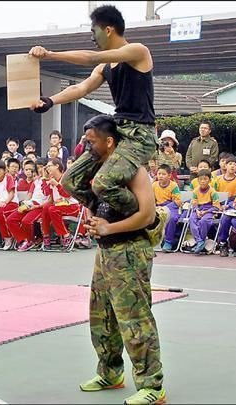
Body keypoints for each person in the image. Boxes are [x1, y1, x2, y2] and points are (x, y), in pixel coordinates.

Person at [29, 5, 157, 221]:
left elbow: (89, 57)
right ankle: (104, 209)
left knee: (103, 182)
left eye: (93, 31)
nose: (92, 38)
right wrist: (50, 100)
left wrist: (50, 54)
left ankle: (145, 215)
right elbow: (81, 88)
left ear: (108, 30)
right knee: (70, 180)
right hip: (117, 132)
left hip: (140, 136)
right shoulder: (105, 66)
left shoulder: (138, 51)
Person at [79, 113, 168, 405]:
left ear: (109, 141)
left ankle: (152, 385)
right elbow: (96, 202)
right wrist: (96, 222)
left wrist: (110, 227)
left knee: (135, 319)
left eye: (92, 142)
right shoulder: (101, 170)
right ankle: (110, 372)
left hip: (130, 250)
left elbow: (147, 215)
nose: (87, 147)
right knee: (101, 317)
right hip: (106, 251)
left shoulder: (134, 171)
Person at [189, 169, 221, 254]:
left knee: (203, 221)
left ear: (209, 180)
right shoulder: (195, 190)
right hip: (199, 209)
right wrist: (197, 210)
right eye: (200, 179)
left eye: (205, 179)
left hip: (209, 210)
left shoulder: (212, 192)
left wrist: (206, 212)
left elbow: (216, 207)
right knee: (192, 219)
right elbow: (194, 203)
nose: (202, 181)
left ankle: (201, 240)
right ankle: (199, 241)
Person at [153, 164, 182, 253]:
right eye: (159, 174)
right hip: (158, 206)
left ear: (169, 175)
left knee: (172, 218)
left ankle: (168, 241)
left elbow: (177, 201)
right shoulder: (154, 185)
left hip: (171, 207)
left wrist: (165, 207)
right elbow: (151, 199)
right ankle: (154, 241)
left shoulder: (173, 186)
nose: (160, 176)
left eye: (163, 174)